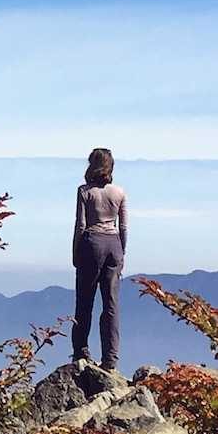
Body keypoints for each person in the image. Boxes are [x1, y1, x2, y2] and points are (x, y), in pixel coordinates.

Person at [71, 147, 127, 371]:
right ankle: (110, 359)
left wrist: (75, 253)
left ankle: (80, 352)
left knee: (84, 302)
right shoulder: (119, 193)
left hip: (92, 243)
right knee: (111, 304)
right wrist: (122, 254)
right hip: (114, 245)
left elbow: (81, 225)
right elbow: (123, 226)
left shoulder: (85, 191)